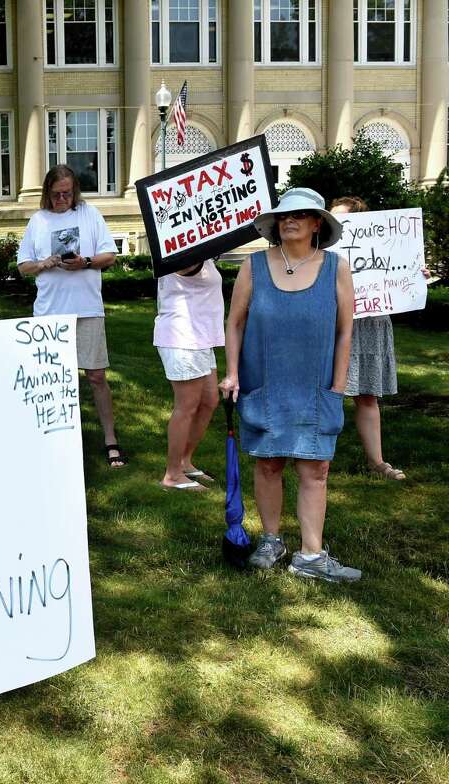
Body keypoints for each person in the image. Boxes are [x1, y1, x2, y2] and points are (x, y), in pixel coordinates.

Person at [219, 188, 359, 583]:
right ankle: (271, 540)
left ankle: (311, 555)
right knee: (269, 463)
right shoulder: (254, 266)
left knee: (316, 468)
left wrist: (338, 384)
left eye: (299, 215)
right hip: (265, 382)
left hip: (316, 386)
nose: (289, 220)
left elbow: (345, 332)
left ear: (317, 224)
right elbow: (235, 322)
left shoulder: (336, 268)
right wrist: (232, 372)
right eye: (283, 215)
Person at [16, 165, 125, 468]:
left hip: (87, 309)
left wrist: (85, 262)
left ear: (75, 190)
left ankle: (110, 440)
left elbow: (110, 256)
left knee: (96, 376)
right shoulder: (38, 220)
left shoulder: (90, 214)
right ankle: (55, 443)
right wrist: (44, 263)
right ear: (47, 193)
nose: (62, 199)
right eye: (56, 194)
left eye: (67, 193)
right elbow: (23, 266)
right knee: (53, 382)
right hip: (49, 315)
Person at [328, 196, 431, 481]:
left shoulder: (381, 244)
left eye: (341, 217)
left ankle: (377, 462)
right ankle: (316, 458)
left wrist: (415, 276)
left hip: (371, 324)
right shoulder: (321, 248)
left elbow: (400, 280)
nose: (335, 222)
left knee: (367, 395)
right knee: (327, 393)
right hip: (332, 324)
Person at [153, 258, 223, 490]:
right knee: (187, 406)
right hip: (182, 336)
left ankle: (185, 461)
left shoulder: (205, 252)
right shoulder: (182, 252)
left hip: (201, 337)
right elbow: (186, 266)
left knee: (209, 401)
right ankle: (172, 475)